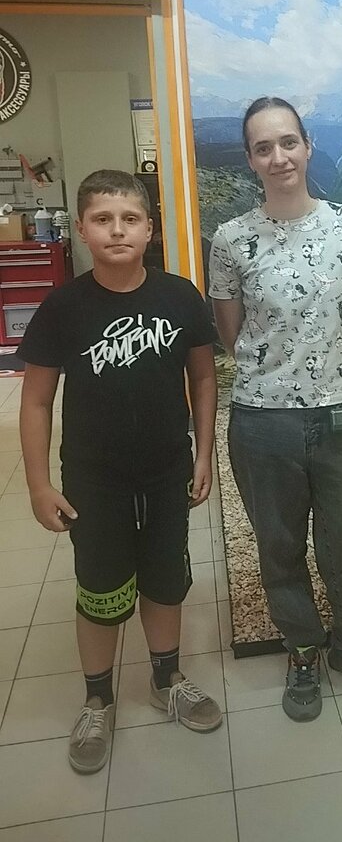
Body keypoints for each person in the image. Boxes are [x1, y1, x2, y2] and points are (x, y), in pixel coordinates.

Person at [209, 96, 342, 722]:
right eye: (263, 148)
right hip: (262, 422)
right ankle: (302, 648)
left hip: (340, 418)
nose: (278, 157)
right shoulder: (231, 239)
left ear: (306, 147)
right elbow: (230, 330)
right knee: (279, 545)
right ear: (251, 160)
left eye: (288, 142)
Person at [18, 169, 222, 775]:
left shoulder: (179, 297)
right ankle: (98, 699)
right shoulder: (63, 308)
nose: (117, 230)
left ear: (150, 229)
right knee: (101, 589)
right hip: (93, 480)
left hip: (167, 472)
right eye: (102, 219)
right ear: (82, 230)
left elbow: (203, 377)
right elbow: (36, 402)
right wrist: (38, 483)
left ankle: (166, 679)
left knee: (165, 580)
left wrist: (204, 452)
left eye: (130, 219)